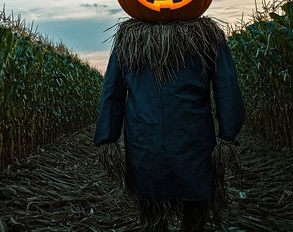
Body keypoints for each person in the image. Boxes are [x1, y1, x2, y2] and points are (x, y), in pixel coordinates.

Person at [94, 17, 244, 231]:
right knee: (189, 204)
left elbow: (113, 92)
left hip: (146, 137)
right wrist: (228, 134)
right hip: (190, 137)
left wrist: (108, 136)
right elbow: (227, 86)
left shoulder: (128, 38)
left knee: (154, 202)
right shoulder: (207, 35)